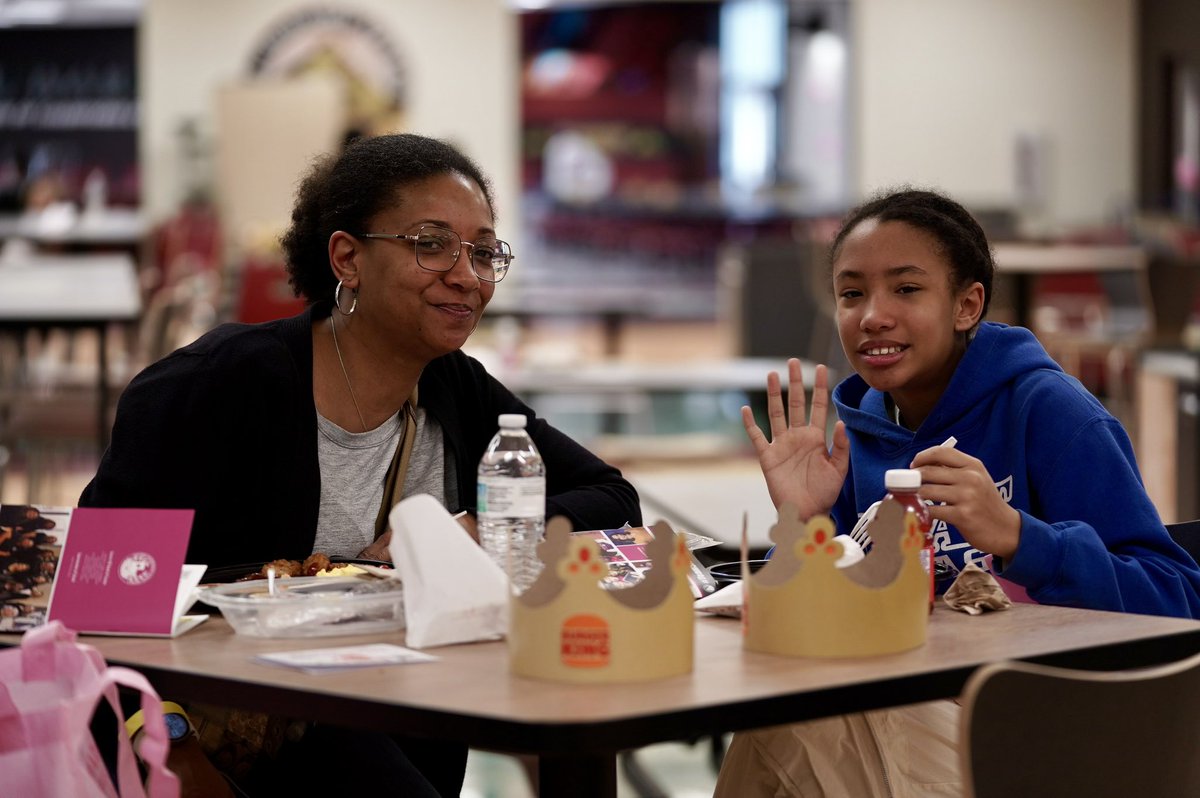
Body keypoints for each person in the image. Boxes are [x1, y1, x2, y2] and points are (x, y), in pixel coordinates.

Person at [80, 132, 642, 796]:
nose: (466, 274)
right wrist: (168, 748)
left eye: (484, 251)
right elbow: (95, 600)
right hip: (235, 747)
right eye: (431, 245)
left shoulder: (455, 389)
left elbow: (611, 496)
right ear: (347, 258)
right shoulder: (219, 385)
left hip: (407, 719)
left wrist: (475, 527)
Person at [715, 187, 1200, 797]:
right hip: (918, 713)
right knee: (795, 715)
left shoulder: (1051, 414)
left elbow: (1179, 603)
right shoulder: (852, 441)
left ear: (967, 305)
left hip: (1063, 741)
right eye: (851, 293)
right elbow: (834, 622)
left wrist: (1022, 538)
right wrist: (804, 526)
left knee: (805, 721)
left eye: (907, 289)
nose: (873, 316)